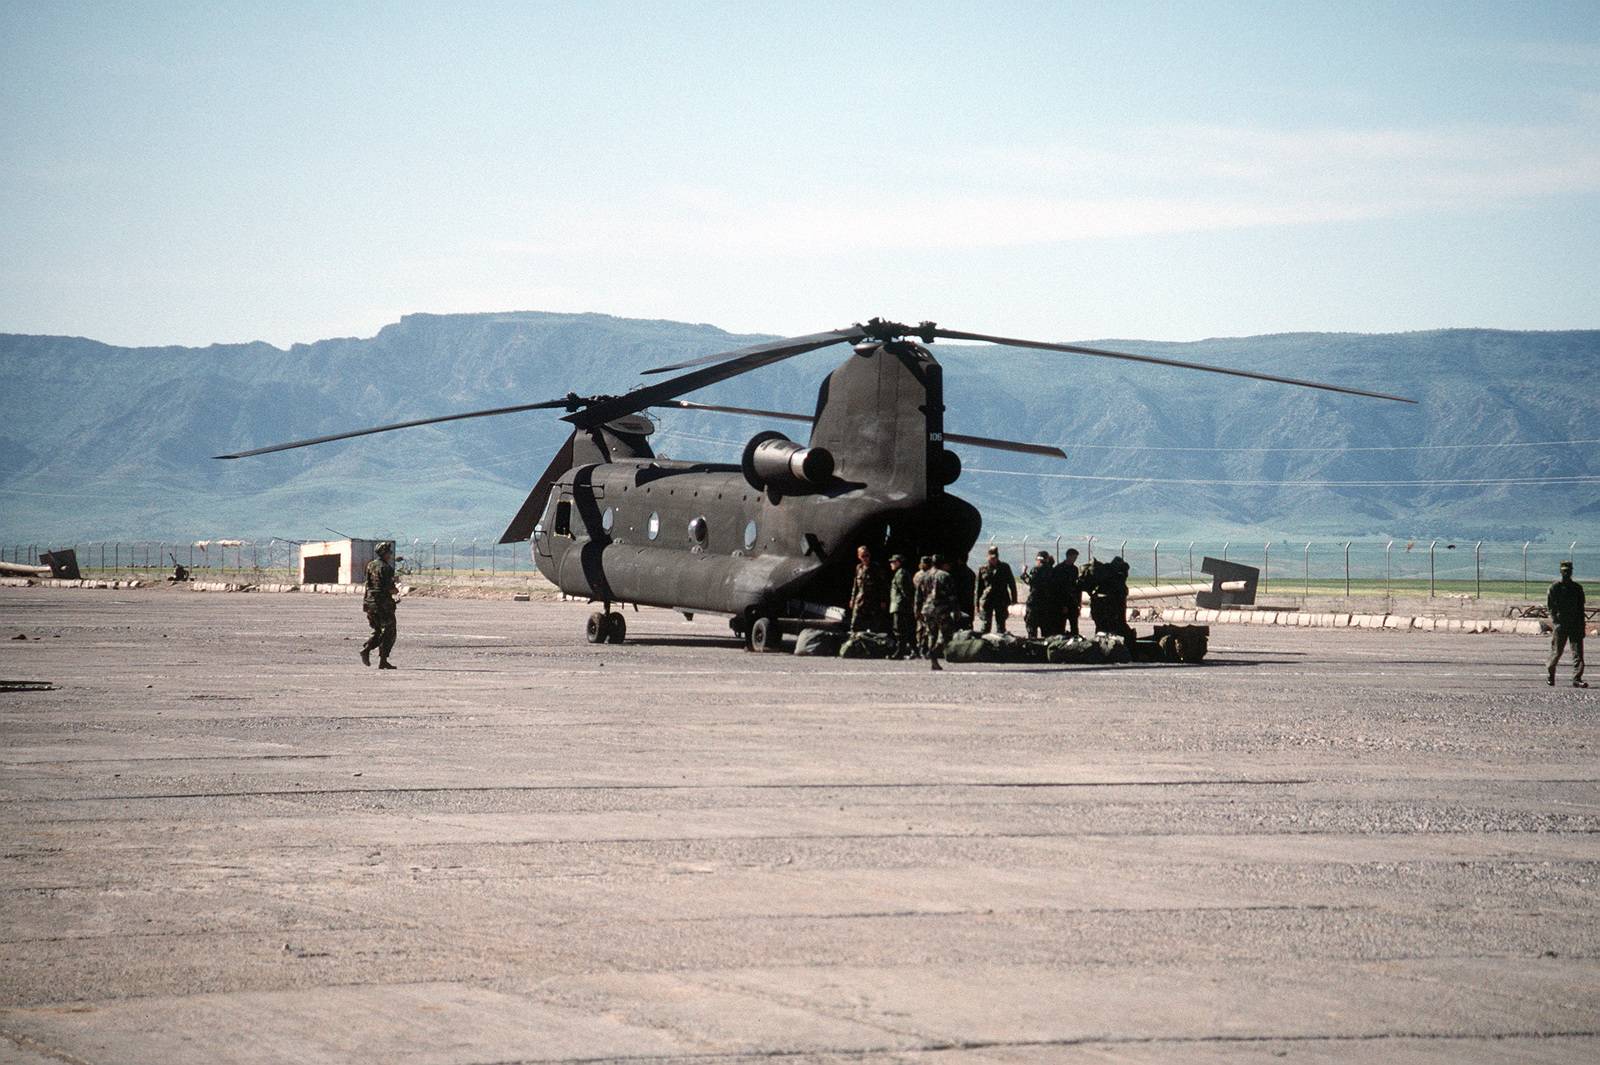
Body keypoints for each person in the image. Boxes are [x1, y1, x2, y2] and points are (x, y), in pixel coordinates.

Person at [1547, 560, 1587, 688]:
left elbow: (1581, 608)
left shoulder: (1577, 588)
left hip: (1575, 625)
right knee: (1556, 652)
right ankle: (1550, 674)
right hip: (1561, 625)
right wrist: (1556, 622)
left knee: (1578, 654)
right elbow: (1551, 607)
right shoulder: (1555, 588)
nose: (1566, 573)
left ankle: (1577, 678)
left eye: (1568, 571)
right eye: (1564, 570)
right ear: (1560, 571)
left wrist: (1582, 626)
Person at [360, 541, 400, 669]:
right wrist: (396, 590)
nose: (390, 554)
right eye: (389, 552)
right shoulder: (386, 568)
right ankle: (381, 659)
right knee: (389, 631)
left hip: (370, 603)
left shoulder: (370, 565)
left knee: (379, 630)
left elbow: (368, 583)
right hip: (383, 604)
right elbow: (389, 588)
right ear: (385, 553)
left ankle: (368, 649)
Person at [920, 555, 959, 670]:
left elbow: (919, 594)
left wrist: (917, 610)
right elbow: (952, 595)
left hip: (927, 609)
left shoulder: (925, 575)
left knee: (932, 635)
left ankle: (934, 662)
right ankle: (935, 652)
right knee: (947, 634)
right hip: (941, 609)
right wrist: (956, 610)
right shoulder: (945, 576)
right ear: (942, 564)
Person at [974, 546, 1018, 634]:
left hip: (1001, 599)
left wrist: (1014, 599)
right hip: (987, 599)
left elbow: (1012, 584)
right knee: (986, 626)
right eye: (991, 558)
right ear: (987, 557)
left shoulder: (1004, 567)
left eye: (995, 557)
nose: (993, 559)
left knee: (1001, 626)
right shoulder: (983, 568)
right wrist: (976, 603)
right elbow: (978, 587)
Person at [848, 545, 889, 634]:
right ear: (859, 557)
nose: (865, 558)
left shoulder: (876, 568)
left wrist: (883, 599)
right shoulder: (858, 568)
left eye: (867, 555)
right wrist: (852, 598)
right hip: (861, 597)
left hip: (874, 598)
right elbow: (855, 584)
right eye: (863, 556)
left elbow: (883, 584)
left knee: (877, 622)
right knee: (855, 620)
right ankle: (853, 637)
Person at [888, 554, 916, 659]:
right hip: (900, 605)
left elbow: (905, 591)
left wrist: (911, 602)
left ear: (899, 562)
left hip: (900, 606)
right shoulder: (900, 573)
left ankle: (900, 652)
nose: (891, 564)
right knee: (904, 628)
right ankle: (911, 650)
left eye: (893, 562)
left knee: (899, 629)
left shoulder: (901, 574)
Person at [1023, 551, 1056, 639]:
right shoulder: (1051, 571)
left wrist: (1024, 574)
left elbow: (1031, 582)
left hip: (1034, 602)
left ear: (1039, 560)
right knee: (1046, 630)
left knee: (1032, 627)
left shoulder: (1036, 570)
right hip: (1046, 602)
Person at [1058, 548, 1082, 637]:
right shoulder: (1059, 569)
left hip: (1073, 602)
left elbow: (1077, 587)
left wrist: (1079, 602)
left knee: (1074, 627)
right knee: (1061, 628)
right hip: (1063, 602)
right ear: (1068, 556)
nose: (1074, 560)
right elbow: (1059, 588)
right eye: (1073, 558)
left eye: (1076, 558)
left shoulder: (1074, 569)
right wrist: (1063, 605)